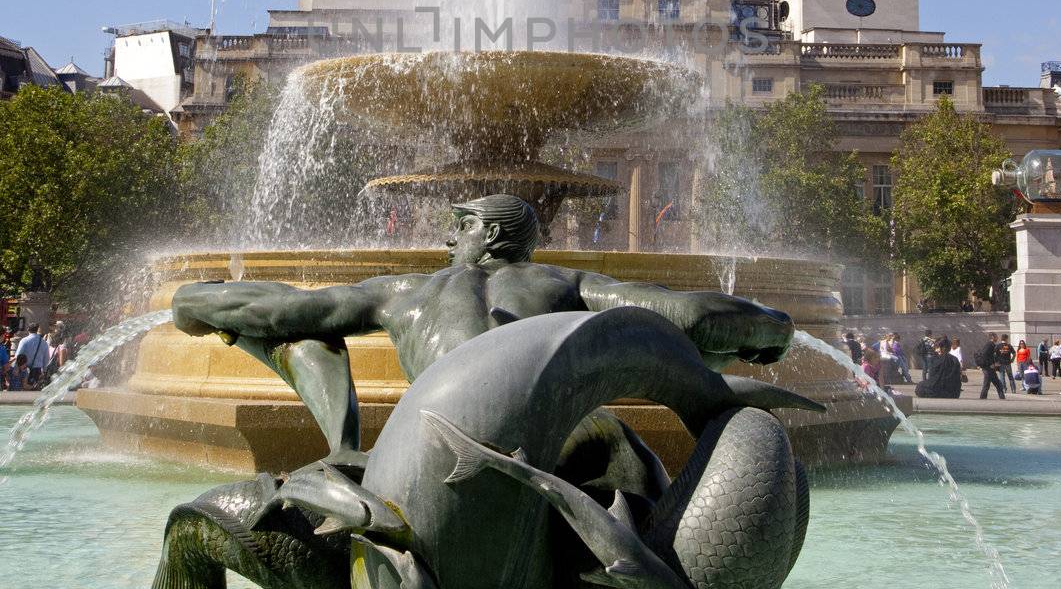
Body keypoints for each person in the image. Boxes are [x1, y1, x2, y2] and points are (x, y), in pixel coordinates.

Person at [172, 194, 799, 461]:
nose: (448, 237)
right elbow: (691, 315)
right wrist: (773, 328)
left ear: (492, 235)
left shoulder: (403, 290)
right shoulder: (568, 284)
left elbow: (280, 314)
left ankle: (344, 455)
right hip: (558, 436)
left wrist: (190, 304)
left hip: (439, 433)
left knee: (301, 339)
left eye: (461, 225)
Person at [977, 334, 1004, 400]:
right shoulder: (990, 345)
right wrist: (990, 364)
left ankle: (1002, 397)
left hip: (990, 368)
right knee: (988, 384)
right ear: (993, 337)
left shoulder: (991, 345)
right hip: (988, 368)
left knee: (996, 383)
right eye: (996, 337)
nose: (997, 338)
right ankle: (983, 397)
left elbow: (990, 356)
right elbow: (984, 355)